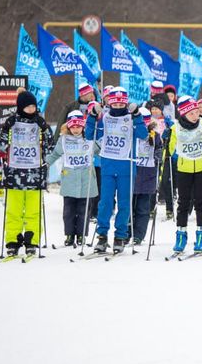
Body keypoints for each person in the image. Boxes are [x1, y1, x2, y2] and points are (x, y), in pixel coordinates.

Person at [85, 86, 148, 254]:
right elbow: (88, 134)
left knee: (124, 203)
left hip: (127, 165)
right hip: (108, 164)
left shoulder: (131, 118)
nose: (118, 107)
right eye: (115, 104)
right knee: (105, 202)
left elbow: (143, 135)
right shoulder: (104, 117)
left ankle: (120, 236)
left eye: (122, 104)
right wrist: (92, 116)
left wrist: (137, 116)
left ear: (126, 104)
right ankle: (102, 236)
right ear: (110, 103)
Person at [0, 91, 53, 257]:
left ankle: (32, 240)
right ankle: (13, 240)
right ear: (21, 106)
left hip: (34, 174)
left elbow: (50, 147)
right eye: (28, 106)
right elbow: (0, 146)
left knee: (33, 211)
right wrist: (6, 128)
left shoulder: (39, 123)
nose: (31, 109)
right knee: (13, 210)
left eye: (33, 106)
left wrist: (45, 128)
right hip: (15, 173)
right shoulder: (12, 122)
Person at [166, 96, 202, 254]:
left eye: (197, 112)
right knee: (183, 203)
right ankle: (181, 235)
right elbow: (168, 152)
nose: (196, 115)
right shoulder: (176, 128)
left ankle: (201, 236)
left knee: (201, 203)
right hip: (184, 169)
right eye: (192, 113)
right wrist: (165, 140)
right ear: (183, 114)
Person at [47, 110, 98, 247]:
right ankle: (69, 235)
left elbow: (102, 150)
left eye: (79, 126)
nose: (76, 129)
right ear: (69, 126)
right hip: (69, 180)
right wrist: (44, 164)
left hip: (86, 180)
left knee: (83, 210)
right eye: (73, 127)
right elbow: (54, 155)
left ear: (83, 126)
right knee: (69, 211)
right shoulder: (63, 140)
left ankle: (81, 235)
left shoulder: (89, 138)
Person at [131, 107, 163, 245]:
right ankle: (127, 232)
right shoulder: (131, 133)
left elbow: (160, 150)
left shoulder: (155, 135)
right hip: (133, 173)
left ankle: (139, 234)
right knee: (129, 206)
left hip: (148, 174)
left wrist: (158, 156)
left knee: (143, 208)